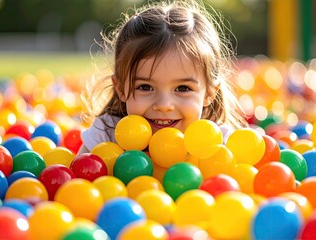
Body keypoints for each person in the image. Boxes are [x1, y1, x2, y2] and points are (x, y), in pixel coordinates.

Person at [78, 0, 248, 154]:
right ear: (121, 88)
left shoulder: (217, 144)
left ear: (210, 93)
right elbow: (77, 179)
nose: (164, 105)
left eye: (183, 88)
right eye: (145, 87)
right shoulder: (106, 136)